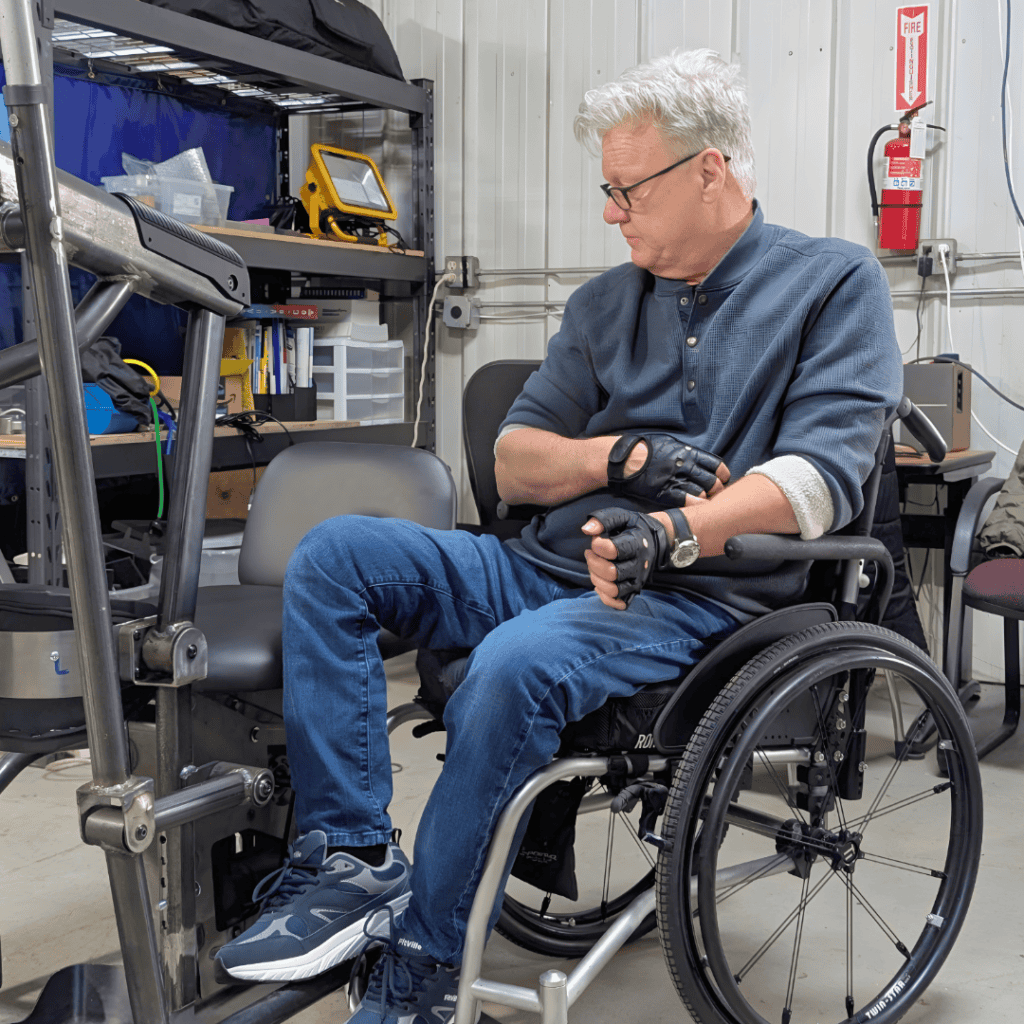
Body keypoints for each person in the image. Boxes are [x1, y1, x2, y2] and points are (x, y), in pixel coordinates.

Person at [215, 47, 903, 1023]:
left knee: (513, 664)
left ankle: (420, 973)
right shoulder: (606, 304)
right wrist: (618, 458)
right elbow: (513, 463)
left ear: (709, 169)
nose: (612, 213)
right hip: (532, 563)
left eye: (629, 189)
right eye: (606, 190)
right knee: (336, 556)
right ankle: (352, 856)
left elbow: (816, 482)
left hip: (689, 595)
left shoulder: (833, 284)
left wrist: (675, 530)